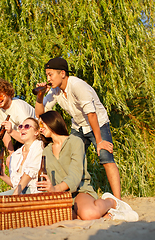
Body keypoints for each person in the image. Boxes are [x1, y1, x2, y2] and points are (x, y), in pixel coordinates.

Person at [35, 57, 121, 199]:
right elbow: (40, 115)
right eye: (46, 75)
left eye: (50, 74)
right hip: (78, 125)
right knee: (69, 157)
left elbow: (91, 114)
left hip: (97, 123)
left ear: (62, 73)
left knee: (106, 157)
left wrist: (99, 141)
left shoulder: (77, 86)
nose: (48, 79)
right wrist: (40, 96)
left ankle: (118, 201)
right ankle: (74, 194)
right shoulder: (55, 91)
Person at [36, 111, 138, 221]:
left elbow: (75, 175)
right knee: (54, 217)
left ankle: (111, 201)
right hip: (61, 196)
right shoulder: (46, 151)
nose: (40, 128)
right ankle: (106, 215)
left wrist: (56, 188)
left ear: (52, 122)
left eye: (42, 124)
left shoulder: (75, 141)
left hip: (80, 190)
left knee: (90, 214)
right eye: (38, 126)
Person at [0, 118, 44, 212]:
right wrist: (3, 175)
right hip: (19, 192)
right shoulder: (16, 155)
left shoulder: (39, 146)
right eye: (20, 127)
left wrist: (14, 197)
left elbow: (28, 174)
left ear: (36, 132)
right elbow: (15, 183)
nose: (22, 129)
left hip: (32, 192)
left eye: (27, 126)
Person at [0, 78, 36, 160]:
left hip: (37, 137)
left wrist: (11, 132)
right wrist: (11, 154)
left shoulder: (19, 109)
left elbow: (30, 140)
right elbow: (3, 131)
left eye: (0, 96)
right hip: (20, 135)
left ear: (8, 94)